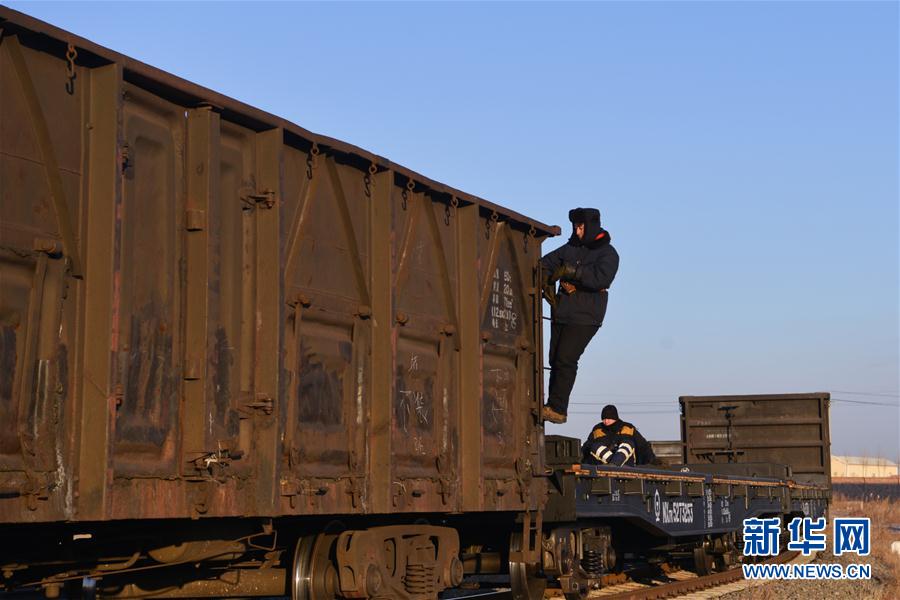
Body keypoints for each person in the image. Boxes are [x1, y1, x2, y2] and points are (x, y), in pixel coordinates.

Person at [540, 207, 619, 424]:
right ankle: (550, 405)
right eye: (575, 226)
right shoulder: (570, 248)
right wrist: (547, 279)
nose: (577, 230)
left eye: (581, 226)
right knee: (554, 358)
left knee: (566, 358)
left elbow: (601, 279)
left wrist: (573, 273)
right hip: (562, 311)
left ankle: (557, 409)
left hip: (586, 315)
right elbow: (545, 264)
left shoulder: (608, 253)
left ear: (591, 226)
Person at [582, 405, 657, 467]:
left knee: (628, 444)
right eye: (604, 419)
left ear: (615, 418)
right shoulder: (597, 430)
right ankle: (612, 465)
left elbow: (642, 445)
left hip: (626, 464)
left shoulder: (628, 428)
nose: (606, 421)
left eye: (609, 418)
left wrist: (653, 460)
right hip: (603, 464)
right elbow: (587, 446)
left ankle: (615, 464)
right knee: (595, 446)